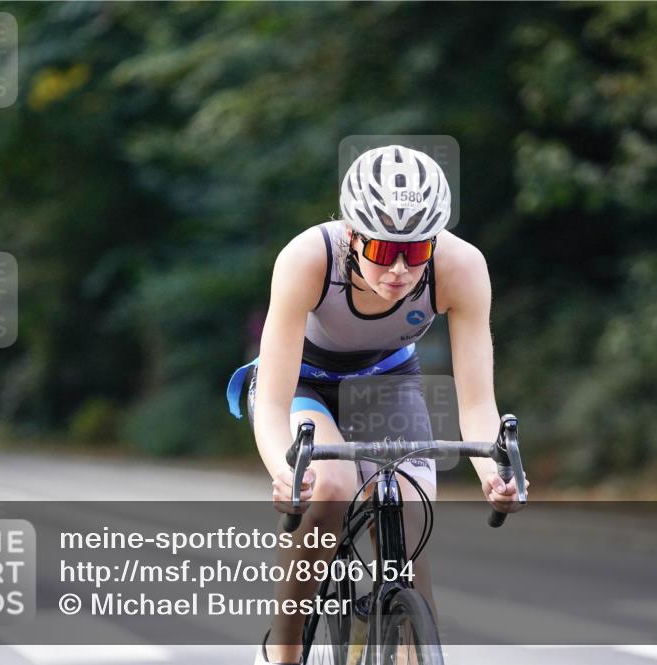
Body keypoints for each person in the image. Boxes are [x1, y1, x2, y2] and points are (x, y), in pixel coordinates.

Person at [226, 145, 527, 665]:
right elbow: (273, 404)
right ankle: (285, 650)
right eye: (385, 251)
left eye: (416, 251)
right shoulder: (307, 258)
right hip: (304, 385)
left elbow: (477, 403)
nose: (401, 271)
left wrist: (492, 474)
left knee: (410, 522)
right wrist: (286, 471)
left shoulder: (462, 267)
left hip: (386, 381)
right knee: (332, 488)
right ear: (351, 235)